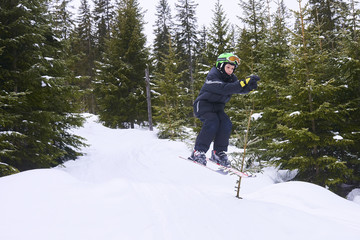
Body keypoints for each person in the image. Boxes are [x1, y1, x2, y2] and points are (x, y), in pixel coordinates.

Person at [189, 53, 259, 166]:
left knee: (226, 123)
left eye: (232, 68)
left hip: (218, 108)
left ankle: (218, 153)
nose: (230, 70)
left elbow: (237, 88)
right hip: (203, 106)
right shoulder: (212, 76)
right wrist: (243, 82)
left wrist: (248, 87)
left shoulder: (231, 78)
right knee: (212, 122)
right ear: (220, 65)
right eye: (228, 67)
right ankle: (198, 152)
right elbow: (224, 89)